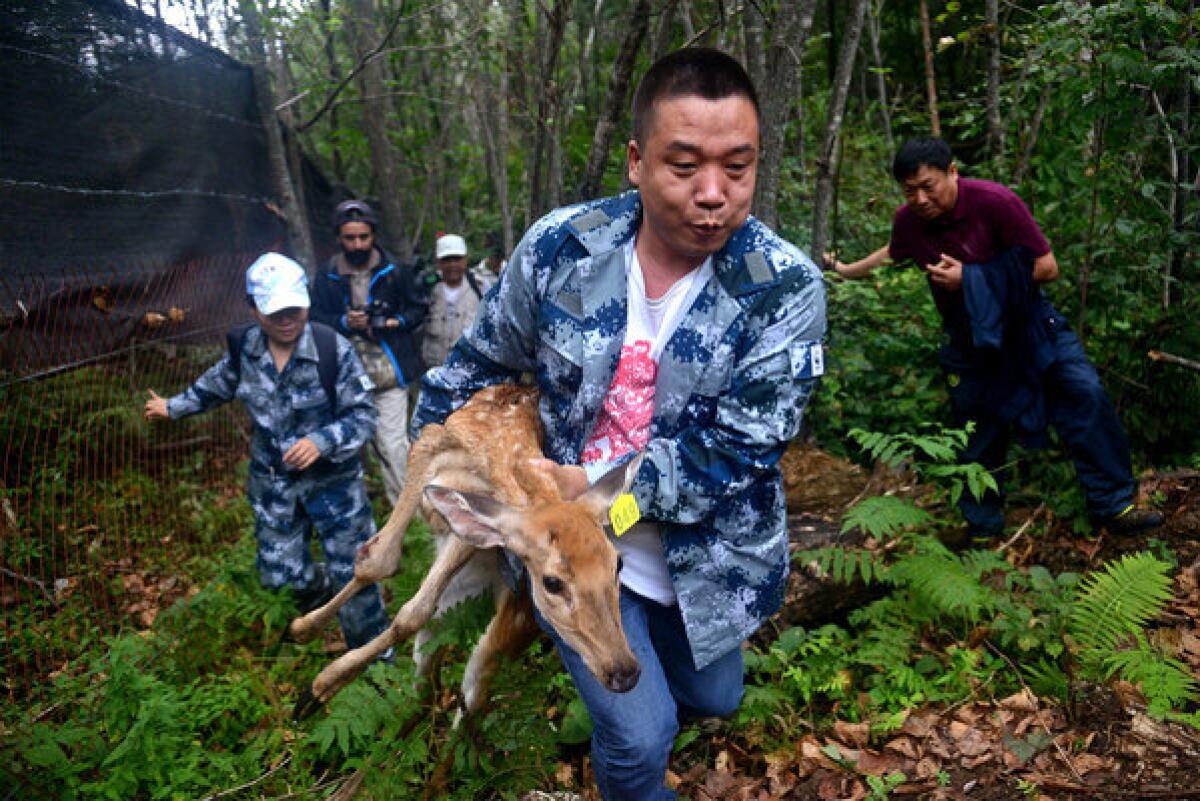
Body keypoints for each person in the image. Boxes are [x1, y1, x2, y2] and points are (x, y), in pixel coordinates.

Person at [411, 48, 826, 800]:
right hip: (571, 548)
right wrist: (438, 465)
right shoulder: (561, 249)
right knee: (640, 734)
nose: (714, 195)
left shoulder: (783, 287)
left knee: (714, 699)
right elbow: (473, 369)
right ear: (636, 161)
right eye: (684, 165)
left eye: (738, 167)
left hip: (705, 552)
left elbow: (744, 448)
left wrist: (616, 488)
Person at [828, 137, 1163, 541]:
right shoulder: (910, 221)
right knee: (975, 429)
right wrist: (844, 270)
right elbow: (893, 251)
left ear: (952, 172)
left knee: (1084, 394)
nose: (919, 198)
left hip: (1030, 325)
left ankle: (1114, 505)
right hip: (968, 340)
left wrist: (970, 278)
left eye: (928, 185)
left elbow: (1047, 267)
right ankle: (983, 530)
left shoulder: (995, 202)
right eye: (908, 190)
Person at [144, 253, 390, 649]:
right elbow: (213, 387)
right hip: (275, 490)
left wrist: (321, 442)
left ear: (306, 302)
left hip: (335, 490)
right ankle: (321, 589)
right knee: (282, 578)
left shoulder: (332, 349)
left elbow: (364, 415)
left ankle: (375, 661)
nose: (287, 318)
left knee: (356, 582)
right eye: (275, 311)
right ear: (254, 309)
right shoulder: (246, 350)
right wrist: (171, 407)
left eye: (294, 308)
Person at [310, 200, 427, 503]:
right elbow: (313, 318)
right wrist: (343, 321)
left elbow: (418, 309)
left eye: (364, 236)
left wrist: (392, 322)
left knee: (393, 444)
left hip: (389, 373)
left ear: (373, 234)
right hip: (345, 377)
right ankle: (365, 506)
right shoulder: (326, 277)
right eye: (350, 238)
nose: (358, 244)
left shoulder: (395, 272)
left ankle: (408, 511)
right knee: (356, 447)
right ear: (339, 238)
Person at [419, 233, 488, 371]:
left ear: (465, 260)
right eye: (447, 259)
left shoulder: (480, 286)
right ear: (438, 262)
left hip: (470, 369)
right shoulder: (427, 288)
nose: (452, 264)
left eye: (457, 259)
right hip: (433, 370)